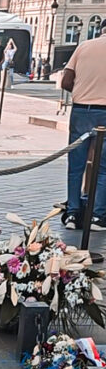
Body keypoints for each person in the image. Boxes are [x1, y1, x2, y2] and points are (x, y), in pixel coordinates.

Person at [61, 19, 106, 230]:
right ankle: (97, 216)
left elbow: (66, 81)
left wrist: (83, 92)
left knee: (76, 166)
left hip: (81, 110)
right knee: (103, 167)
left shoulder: (84, 47)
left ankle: (72, 212)